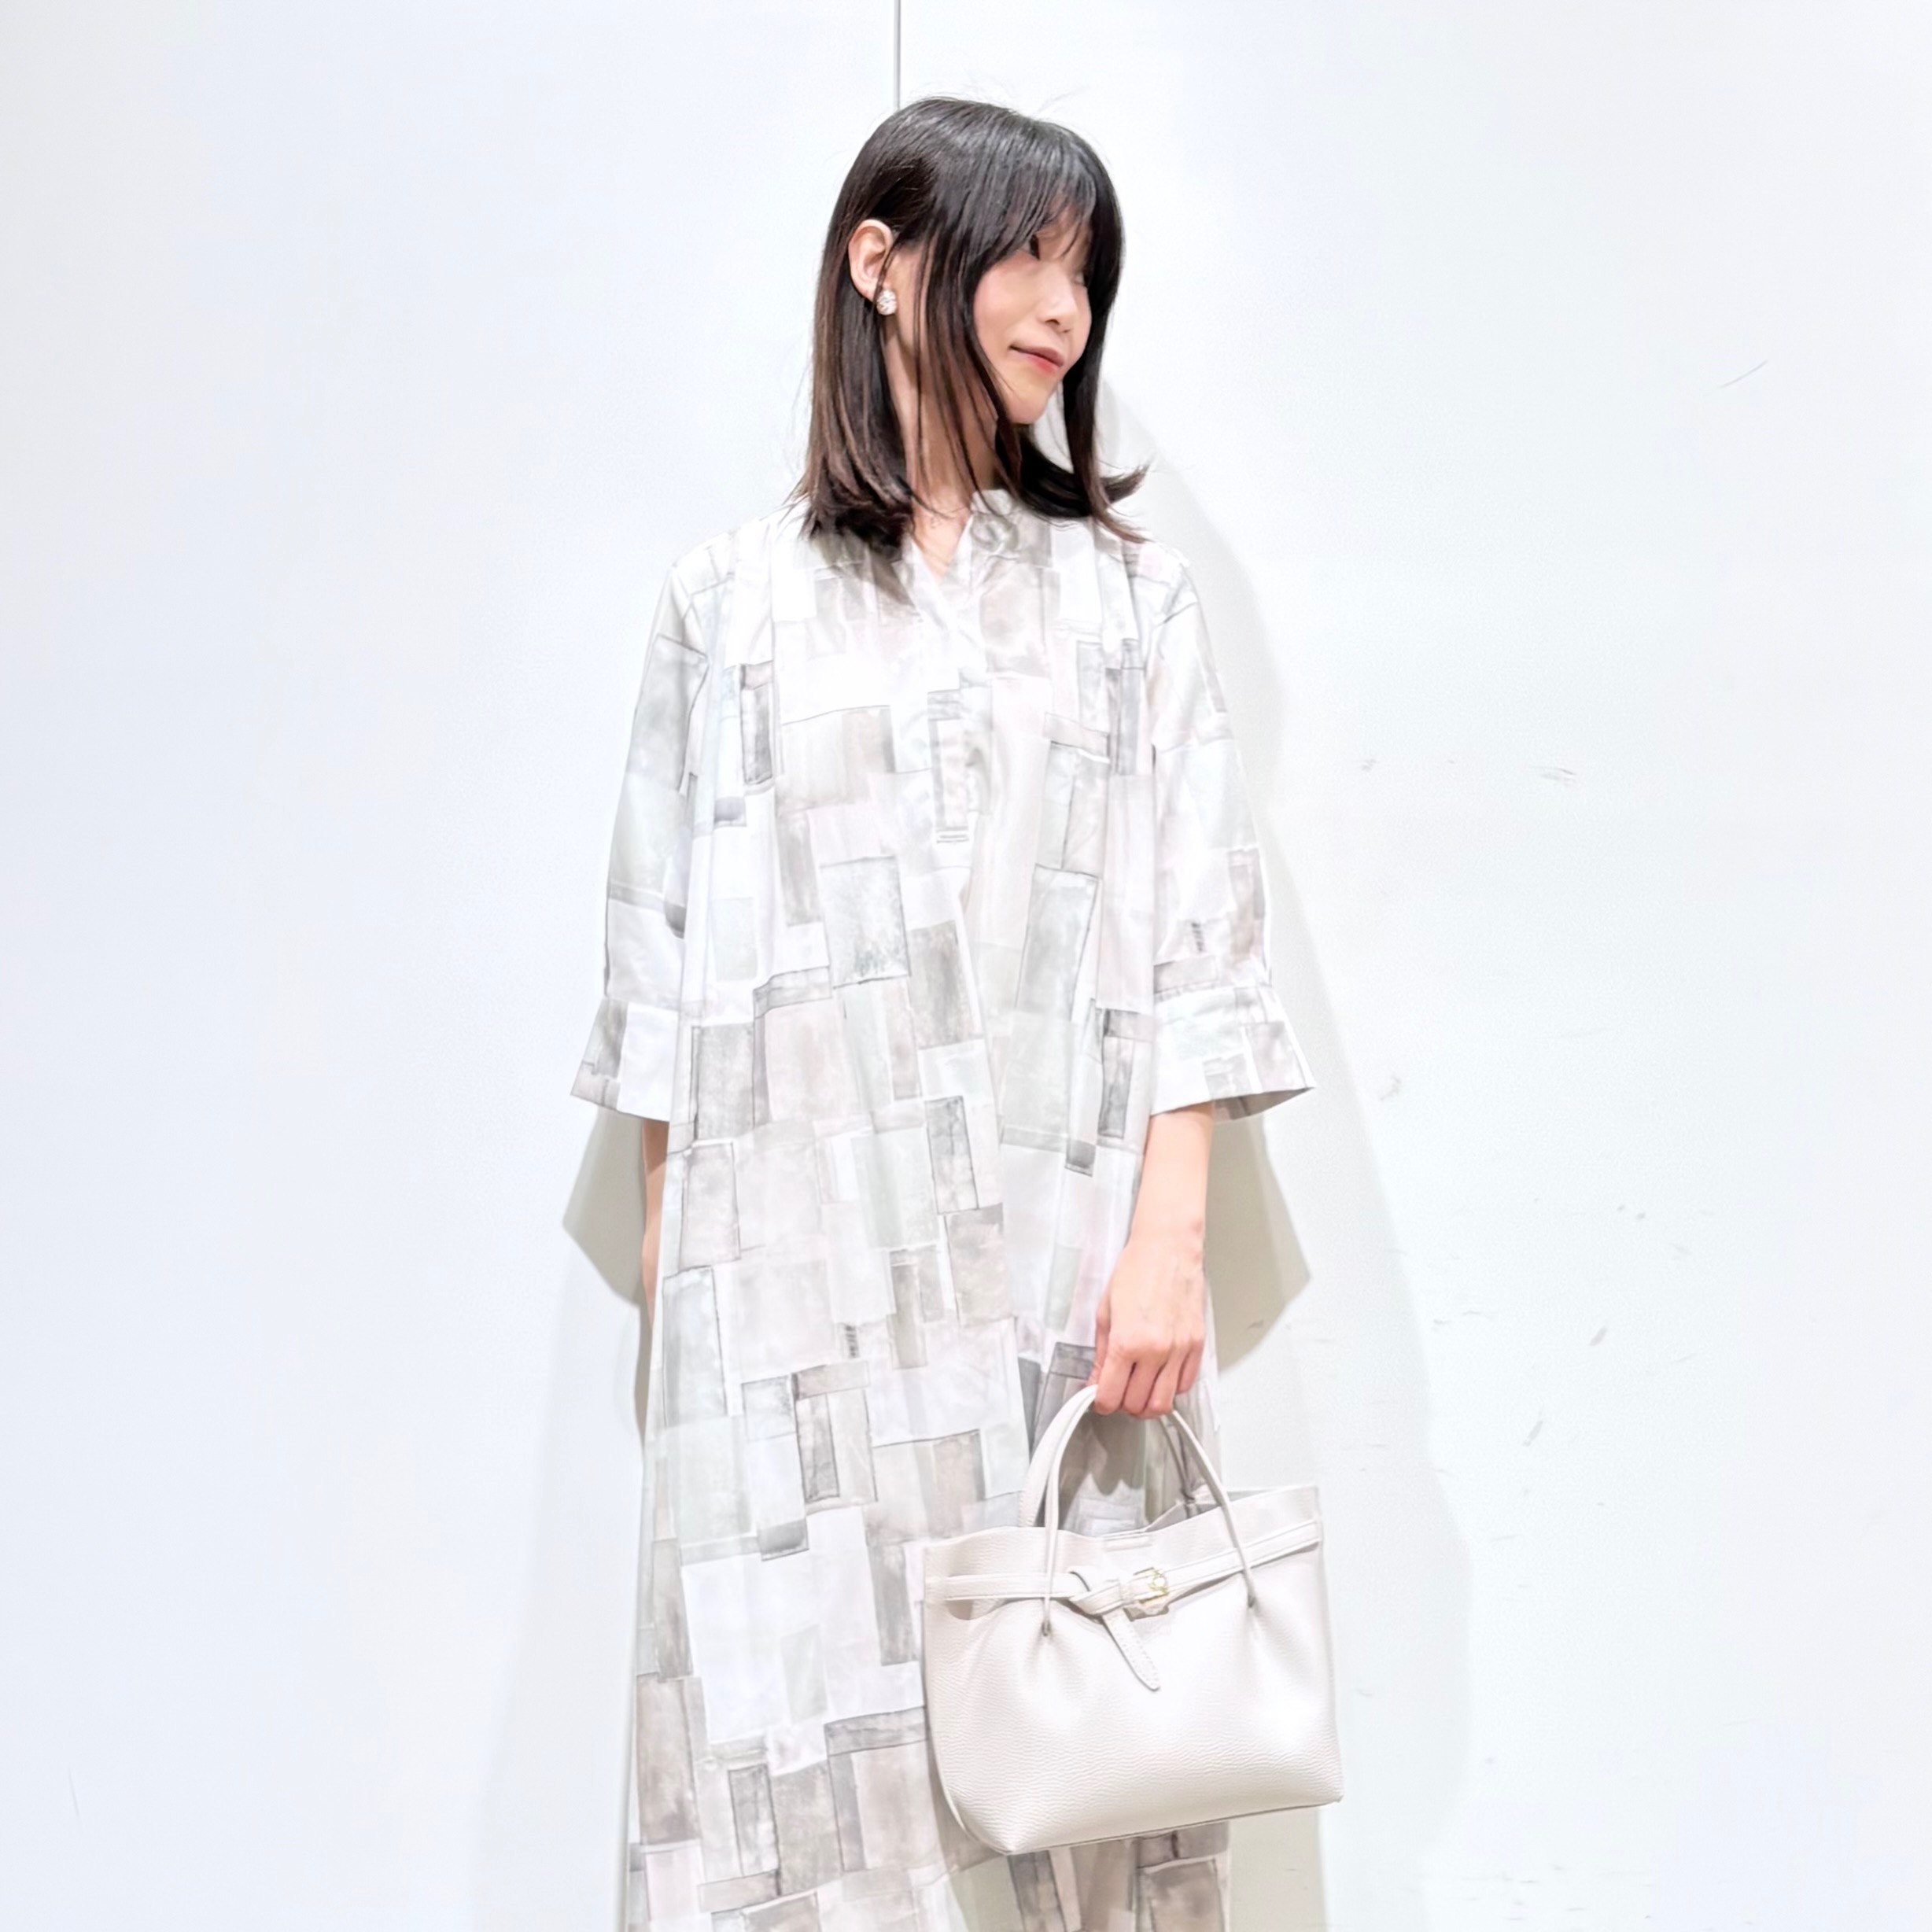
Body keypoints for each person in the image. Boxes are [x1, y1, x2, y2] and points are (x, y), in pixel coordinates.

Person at [572, 94, 1315, 1932]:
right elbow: (657, 959)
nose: (1064, 306)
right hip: (791, 1295)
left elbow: (1199, 928)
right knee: (788, 1780)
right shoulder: (725, 603)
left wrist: (1169, 1238)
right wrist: (684, 1284)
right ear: (883, 263)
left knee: (1074, 1776)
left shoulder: (1131, 607)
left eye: (1087, 270)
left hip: (1062, 1274)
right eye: (1028, 255)